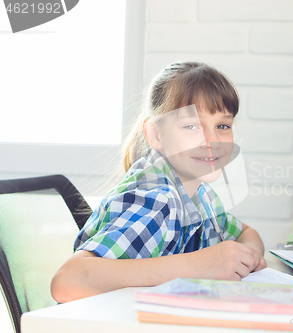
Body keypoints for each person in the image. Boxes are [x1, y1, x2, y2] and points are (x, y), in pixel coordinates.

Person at [51, 61, 266, 303]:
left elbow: (247, 233)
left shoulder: (200, 194)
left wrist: (248, 259)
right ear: (155, 133)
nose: (212, 140)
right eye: (191, 126)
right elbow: (68, 281)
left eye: (222, 126)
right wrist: (197, 265)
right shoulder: (158, 199)